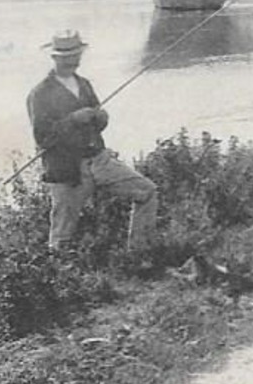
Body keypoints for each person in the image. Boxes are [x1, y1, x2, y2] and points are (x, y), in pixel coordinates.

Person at [26, 30, 158, 257]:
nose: (73, 60)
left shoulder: (84, 84)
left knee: (147, 191)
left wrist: (101, 118)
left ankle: (140, 255)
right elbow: (43, 138)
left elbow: (96, 124)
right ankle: (60, 279)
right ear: (55, 58)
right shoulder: (40, 94)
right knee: (62, 236)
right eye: (66, 55)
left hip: (100, 161)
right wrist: (73, 119)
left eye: (76, 54)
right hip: (67, 171)